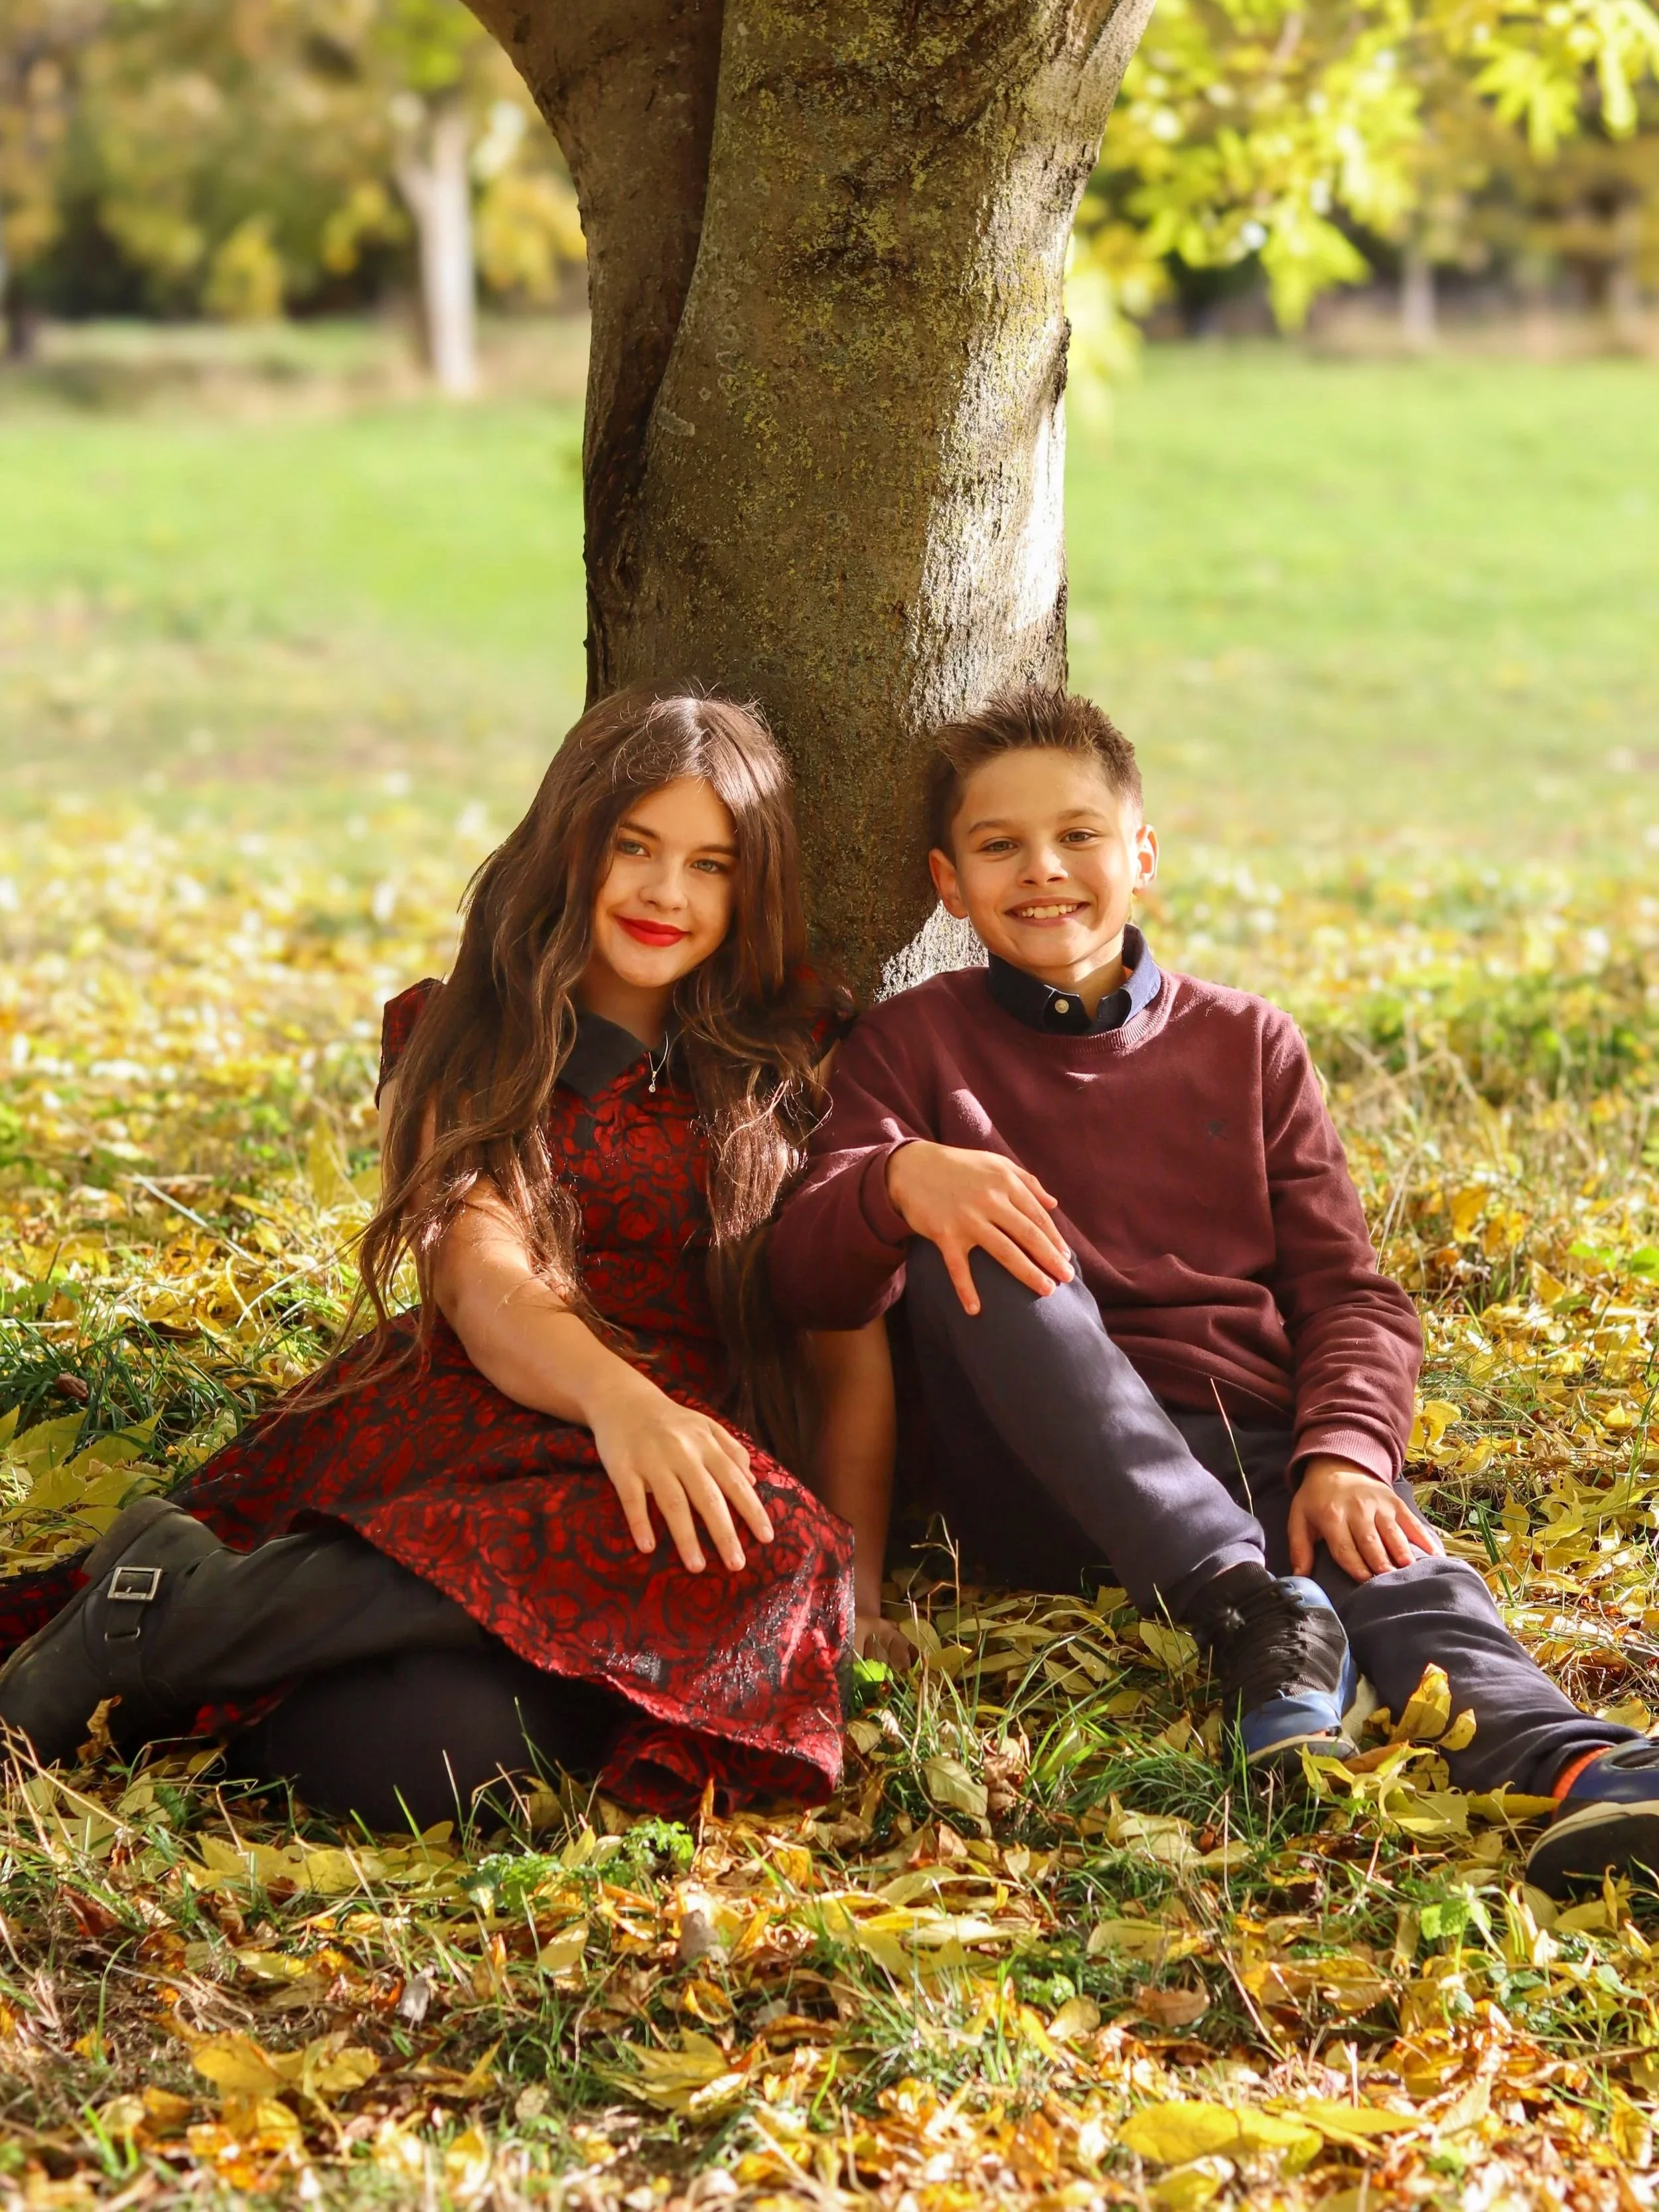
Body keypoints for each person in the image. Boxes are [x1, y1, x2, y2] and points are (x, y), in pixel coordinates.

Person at [767, 683, 1659, 1895]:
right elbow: (811, 1267)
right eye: (1000, 846)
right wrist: (901, 1179)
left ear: (1140, 853)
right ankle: (1249, 1609)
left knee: (1389, 1558)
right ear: (949, 882)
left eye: (1079, 835)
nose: (1044, 869)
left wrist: (1347, 1449)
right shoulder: (912, 1048)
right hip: (1044, 1470)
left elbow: (1353, 1296)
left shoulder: (1250, 1043)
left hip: (1253, 1442)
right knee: (969, 1224)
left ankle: (1579, 1776)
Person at [0, 689, 901, 1827]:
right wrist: (623, 1404)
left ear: (752, 885)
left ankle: (180, 1617)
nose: (667, 893)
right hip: (480, 1409)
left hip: (665, 1464)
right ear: (573, 844)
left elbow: (842, 1323)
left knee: (443, 1744)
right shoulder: (462, 1036)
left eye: (710, 864)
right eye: (635, 847)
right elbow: (481, 1279)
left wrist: (860, 1586)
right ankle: (172, 1624)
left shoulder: (799, 1053)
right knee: (756, 1564)